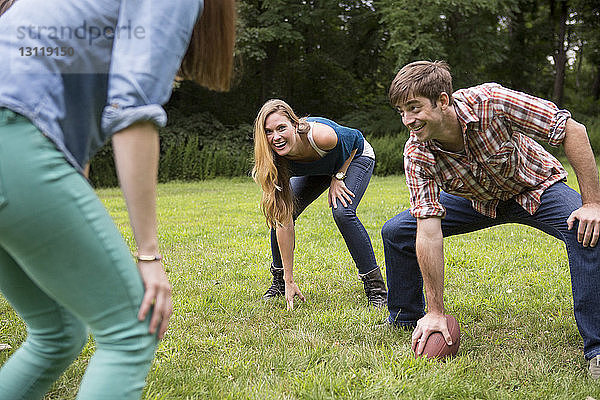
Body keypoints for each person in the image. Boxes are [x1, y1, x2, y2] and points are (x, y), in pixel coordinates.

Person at [0, 0, 236, 398]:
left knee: (57, 332)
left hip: (19, 143)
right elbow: (133, 111)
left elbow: (76, 141)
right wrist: (149, 254)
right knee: (132, 327)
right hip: (13, 142)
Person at [382, 60, 600, 378]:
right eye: (401, 111)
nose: (408, 120)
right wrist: (436, 311)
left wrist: (592, 204)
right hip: (476, 200)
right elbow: (428, 230)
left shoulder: (492, 102)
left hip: (534, 188)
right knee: (397, 230)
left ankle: (597, 349)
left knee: (586, 227)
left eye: (414, 108)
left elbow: (572, 131)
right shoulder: (417, 152)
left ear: (443, 101)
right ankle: (408, 318)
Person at [252, 99, 387, 310]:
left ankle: (376, 289)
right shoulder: (274, 160)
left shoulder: (322, 136)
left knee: (342, 212)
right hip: (319, 168)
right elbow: (284, 220)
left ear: (295, 125)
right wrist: (290, 279)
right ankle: (280, 283)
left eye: (281, 128)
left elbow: (356, 140)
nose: (276, 137)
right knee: (279, 213)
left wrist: (339, 175)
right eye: (269, 132)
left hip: (355, 156)